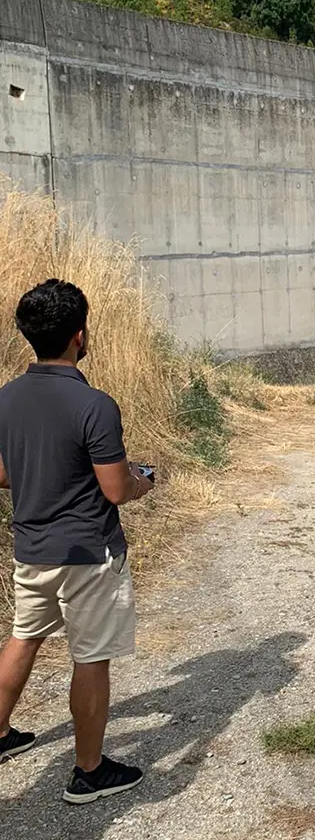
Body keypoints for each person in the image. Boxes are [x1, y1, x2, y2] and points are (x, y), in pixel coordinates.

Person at [0, 279, 153, 803]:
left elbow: (3, 474)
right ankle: (89, 772)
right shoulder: (95, 404)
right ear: (79, 336)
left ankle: (0, 735)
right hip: (89, 554)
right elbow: (115, 489)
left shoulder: (7, 397)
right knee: (90, 657)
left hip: (31, 549)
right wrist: (143, 480)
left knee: (24, 637)